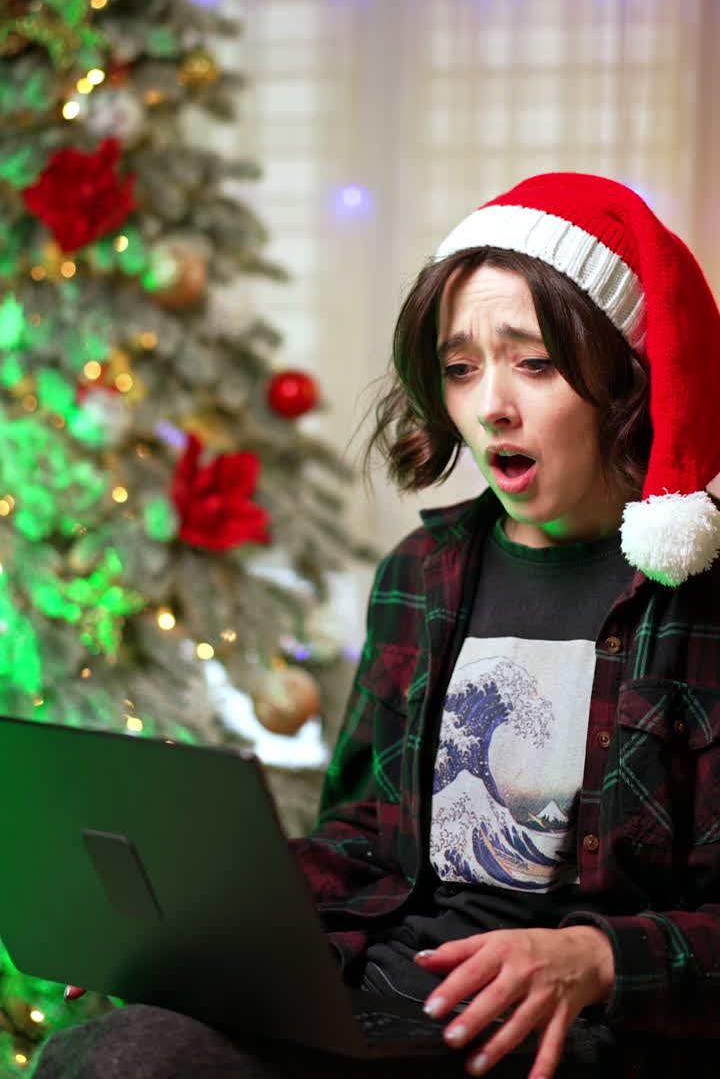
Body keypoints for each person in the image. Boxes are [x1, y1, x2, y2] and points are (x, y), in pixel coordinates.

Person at [34, 172, 720, 1079]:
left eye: (535, 364)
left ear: (625, 378)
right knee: (112, 1053)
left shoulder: (698, 599)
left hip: (570, 1036)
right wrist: (198, 914)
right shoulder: (422, 572)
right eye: (461, 368)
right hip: (382, 988)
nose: (491, 406)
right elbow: (364, 833)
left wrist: (597, 959)